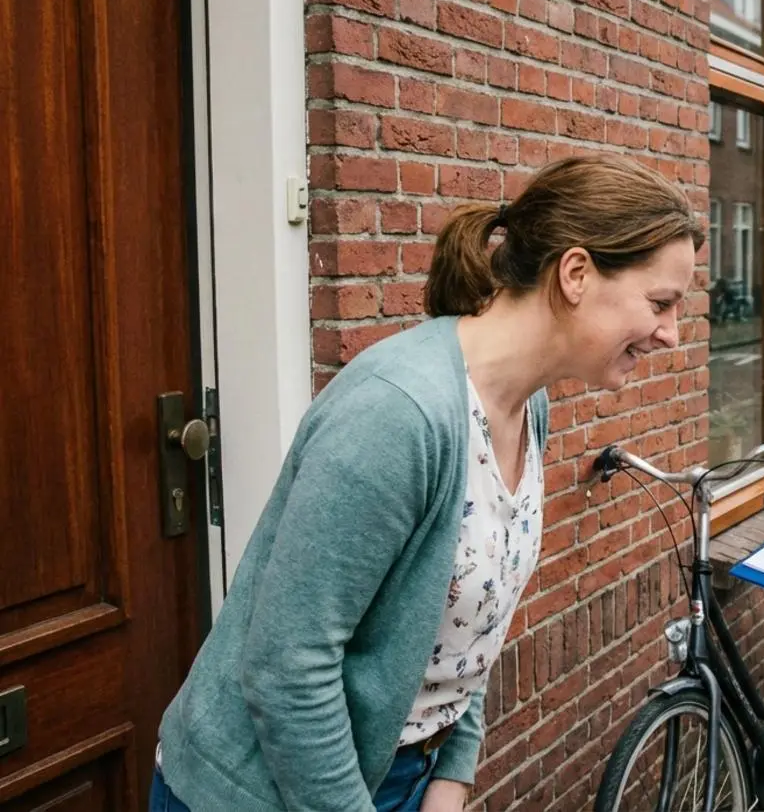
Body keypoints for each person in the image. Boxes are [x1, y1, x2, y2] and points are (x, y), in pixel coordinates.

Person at [150, 154, 704, 812]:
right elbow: (286, 666)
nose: (671, 333)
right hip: (260, 792)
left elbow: (467, 625)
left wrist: (452, 771)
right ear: (577, 273)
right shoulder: (397, 413)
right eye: (661, 303)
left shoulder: (528, 407)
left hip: (407, 774)